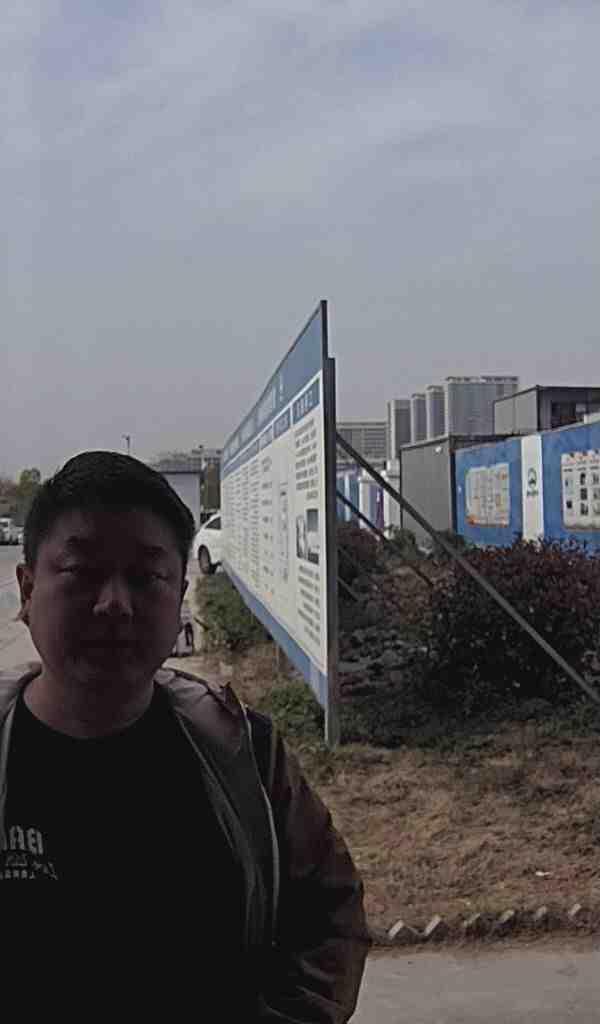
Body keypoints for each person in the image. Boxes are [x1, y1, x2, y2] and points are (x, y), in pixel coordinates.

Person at [0, 451, 369, 1020]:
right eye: (82, 572)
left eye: (146, 578)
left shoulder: (245, 754)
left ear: (178, 601)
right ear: (27, 590)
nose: (114, 603)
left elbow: (330, 915)